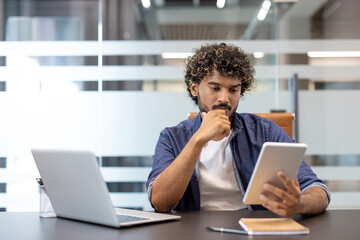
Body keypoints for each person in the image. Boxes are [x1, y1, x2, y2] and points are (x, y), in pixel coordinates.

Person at [146, 43, 330, 217]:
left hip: (250, 229)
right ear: (195, 88)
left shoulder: (264, 131)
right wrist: (198, 140)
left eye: (233, 90)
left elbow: (318, 190)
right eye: (215, 88)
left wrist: (300, 204)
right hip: (193, 231)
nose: (224, 98)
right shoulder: (171, 137)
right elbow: (160, 202)